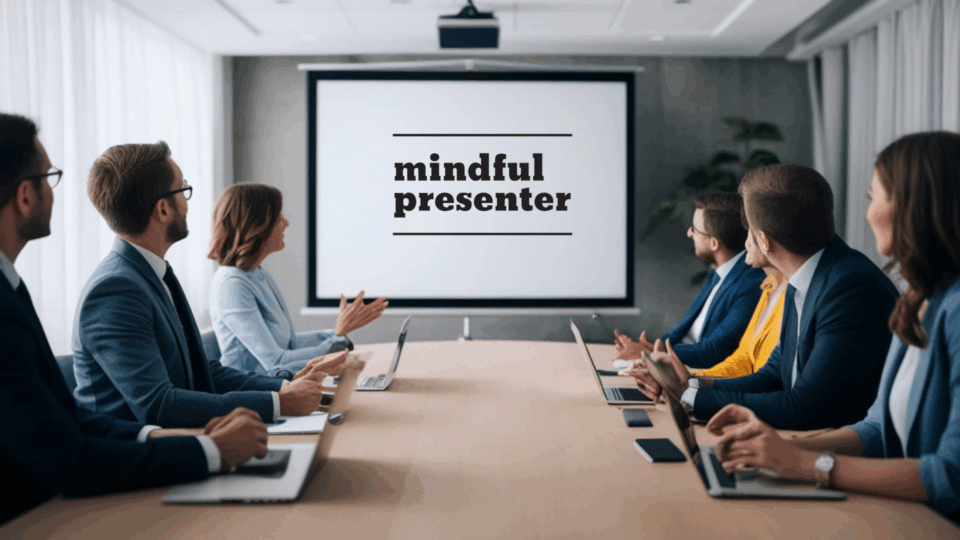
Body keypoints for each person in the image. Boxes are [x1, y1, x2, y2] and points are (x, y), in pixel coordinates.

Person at [0, 114, 267, 525]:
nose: (53, 193)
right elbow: (69, 456)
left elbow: (67, 420)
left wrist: (169, 439)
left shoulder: (11, 289)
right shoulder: (111, 289)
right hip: (57, 513)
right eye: (48, 177)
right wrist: (210, 451)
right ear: (23, 197)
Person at [706, 132, 960, 522]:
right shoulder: (919, 299)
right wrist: (780, 449)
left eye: (873, 197)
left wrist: (808, 465)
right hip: (902, 513)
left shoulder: (951, 309)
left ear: (913, 208)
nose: (867, 213)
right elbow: (878, 426)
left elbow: (951, 476)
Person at [73, 141, 345, 428]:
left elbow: (202, 372)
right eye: (183, 190)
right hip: (144, 461)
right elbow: (160, 406)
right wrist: (279, 403)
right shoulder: (115, 292)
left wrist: (282, 385)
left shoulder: (151, 273)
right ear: (163, 210)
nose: (187, 203)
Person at [627, 164, 899, 430]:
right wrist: (689, 385)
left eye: (748, 230)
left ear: (764, 241)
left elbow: (805, 406)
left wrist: (691, 396)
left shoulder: (850, 289)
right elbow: (772, 376)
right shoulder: (803, 276)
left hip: (830, 449)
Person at [207, 183, 386, 378]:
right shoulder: (231, 285)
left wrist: (338, 333)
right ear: (258, 225)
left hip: (280, 388)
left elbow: (290, 344)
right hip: (252, 396)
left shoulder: (257, 274)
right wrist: (336, 339)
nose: (286, 224)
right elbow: (275, 363)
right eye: (279, 218)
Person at [615, 191, 766, 369]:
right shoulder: (719, 269)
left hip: (697, 374)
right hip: (676, 365)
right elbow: (682, 331)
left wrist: (649, 353)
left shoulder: (751, 284)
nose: (689, 233)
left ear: (714, 243)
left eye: (694, 229)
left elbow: (713, 351)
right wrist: (649, 347)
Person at [691, 228, 786, 378]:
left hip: (753, 398)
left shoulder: (790, 294)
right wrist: (693, 377)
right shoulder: (768, 286)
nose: (747, 243)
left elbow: (769, 380)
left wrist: (692, 384)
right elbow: (743, 360)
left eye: (752, 232)